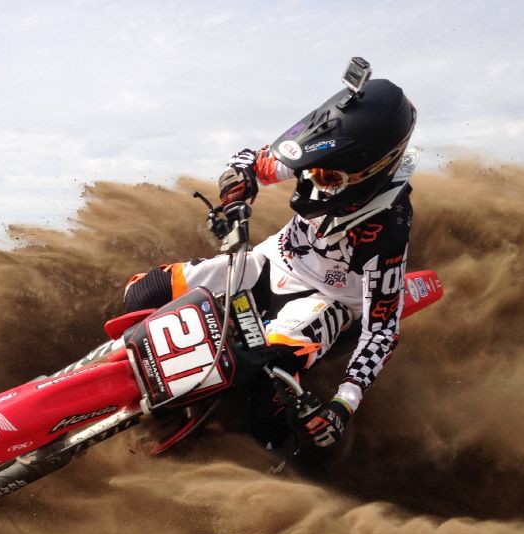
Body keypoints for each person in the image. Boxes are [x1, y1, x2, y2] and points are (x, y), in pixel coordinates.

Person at [123, 60, 417, 449]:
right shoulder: (326, 158)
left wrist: (343, 404)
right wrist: (236, 186)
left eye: (329, 177)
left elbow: (381, 331)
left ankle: (281, 455)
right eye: (313, 171)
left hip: (327, 300)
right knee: (142, 292)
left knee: (269, 383)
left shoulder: (387, 229)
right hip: (269, 261)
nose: (313, 181)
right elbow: (252, 160)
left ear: (374, 169)